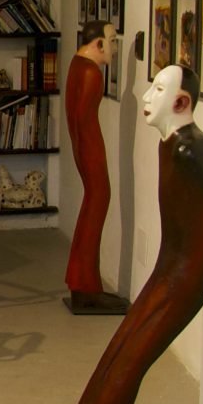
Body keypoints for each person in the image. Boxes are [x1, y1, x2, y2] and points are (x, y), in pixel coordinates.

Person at [23, 64, 203, 404]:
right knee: (119, 348)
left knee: (133, 356)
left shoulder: (191, 151)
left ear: (181, 102)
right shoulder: (171, 145)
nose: (148, 97)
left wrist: (187, 270)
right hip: (171, 267)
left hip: (186, 275)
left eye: (159, 90)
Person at [64, 20, 128, 313]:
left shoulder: (78, 65)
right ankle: (87, 288)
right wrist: (85, 155)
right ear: (98, 44)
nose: (114, 47)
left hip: (86, 150)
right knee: (95, 210)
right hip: (91, 151)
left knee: (91, 211)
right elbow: (82, 121)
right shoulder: (91, 72)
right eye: (112, 41)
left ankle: (84, 284)